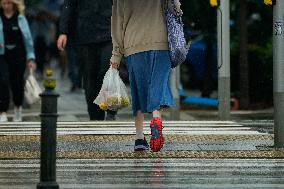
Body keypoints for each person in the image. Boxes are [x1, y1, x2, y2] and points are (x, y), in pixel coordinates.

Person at [110, 0, 182, 152]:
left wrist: (116, 55)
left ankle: (139, 138)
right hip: (161, 42)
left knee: (138, 90)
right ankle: (156, 118)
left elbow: (118, 22)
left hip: (134, 43)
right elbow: (176, 8)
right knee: (159, 84)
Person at [57, 0, 117, 120]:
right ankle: (95, 117)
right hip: (85, 36)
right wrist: (63, 32)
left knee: (107, 71)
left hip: (108, 34)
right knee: (89, 78)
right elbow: (68, 5)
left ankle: (111, 108)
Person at [0, 0, 35, 122]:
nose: (6, 6)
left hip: (18, 56)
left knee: (17, 83)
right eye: (3, 3)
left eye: (8, 3)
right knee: (3, 81)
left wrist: (30, 57)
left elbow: (28, 39)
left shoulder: (20, 19)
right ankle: (3, 111)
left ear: (14, 4)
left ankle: (17, 108)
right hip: (2, 56)